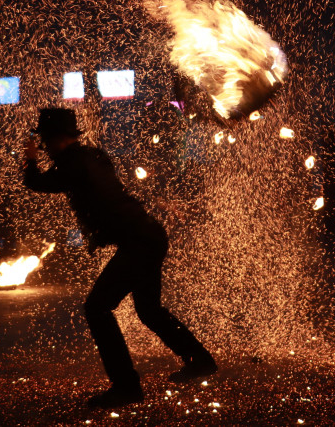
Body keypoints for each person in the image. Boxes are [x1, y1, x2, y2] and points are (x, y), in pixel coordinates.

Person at [23, 108, 215, 410]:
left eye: (45, 141)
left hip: (139, 241)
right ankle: (200, 361)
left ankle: (126, 386)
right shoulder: (90, 155)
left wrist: (30, 157)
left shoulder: (74, 162)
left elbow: (36, 183)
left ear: (56, 139)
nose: (44, 147)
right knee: (148, 309)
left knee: (97, 308)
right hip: (147, 235)